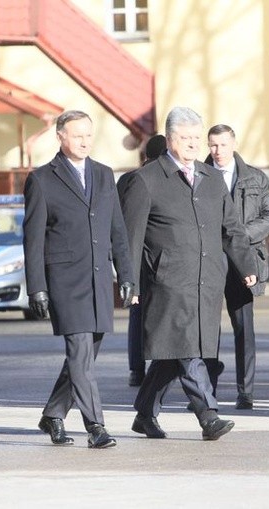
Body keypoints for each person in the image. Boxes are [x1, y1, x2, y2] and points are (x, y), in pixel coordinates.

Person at [120, 106, 256, 441]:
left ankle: (144, 413)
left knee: (172, 354)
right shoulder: (147, 180)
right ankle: (208, 415)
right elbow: (131, 237)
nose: (194, 144)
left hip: (207, 281)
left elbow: (232, 229)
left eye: (198, 137)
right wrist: (129, 281)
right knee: (187, 350)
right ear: (169, 139)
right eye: (186, 137)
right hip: (167, 282)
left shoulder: (211, 180)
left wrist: (246, 264)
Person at [23, 110, 134, 449]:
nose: (85, 141)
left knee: (84, 357)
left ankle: (54, 413)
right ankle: (96, 426)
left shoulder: (103, 174)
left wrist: (126, 274)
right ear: (61, 137)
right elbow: (33, 239)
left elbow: (117, 229)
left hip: (99, 280)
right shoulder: (42, 178)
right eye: (77, 135)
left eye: (89, 134)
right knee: (80, 351)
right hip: (65, 283)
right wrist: (37, 287)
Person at [203, 124, 269, 409]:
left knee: (243, 328)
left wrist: (243, 236)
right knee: (206, 329)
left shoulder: (254, 178)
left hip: (244, 260)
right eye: (212, 145)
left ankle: (245, 391)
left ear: (233, 144)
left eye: (223, 144)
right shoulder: (197, 174)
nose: (218, 151)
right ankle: (205, 391)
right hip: (208, 260)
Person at [118, 134, 167, 387]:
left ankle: (136, 370)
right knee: (164, 314)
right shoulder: (164, 179)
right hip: (159, 256)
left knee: (136, 315)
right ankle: (164, 364)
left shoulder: (126, 179)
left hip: (133, 256)